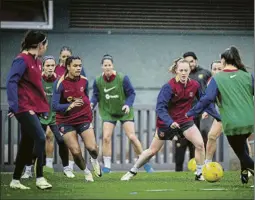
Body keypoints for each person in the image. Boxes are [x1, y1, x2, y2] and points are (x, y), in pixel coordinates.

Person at [120, 58, 220, 181]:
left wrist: (217, 116)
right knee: (152, 151)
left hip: (186, 121)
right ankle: (133, 170)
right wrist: (170, 122)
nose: (183, 73)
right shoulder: (168, 87)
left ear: (190, 71)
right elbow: (160, 108)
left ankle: (199, 174)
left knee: (199, 144)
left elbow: (204, 101)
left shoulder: (195, 85)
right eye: (181, 70)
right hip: (166, 123)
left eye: (186, 70)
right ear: (176, 71)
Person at [186, 46, 254, 184]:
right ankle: (244, 173)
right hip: (249, 120)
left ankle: (249, 169)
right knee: (242, 145)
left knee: (240, 152)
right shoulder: (247, 75)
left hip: (232, 121)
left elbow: (206, 99)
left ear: (223, 60)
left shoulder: (217, 79)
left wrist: (191, 112)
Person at [90, 54, 153, 173]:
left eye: (109, 65)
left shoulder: (123, 78)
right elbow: (95, 95)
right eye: (105, 65)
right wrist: (91, 103)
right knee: (106, 137)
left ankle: (145, 163)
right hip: (108, 112)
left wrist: (127, 104)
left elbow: (132, 93)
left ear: (112, 66)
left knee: (132, 137)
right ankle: (107, 166)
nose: (107, 67)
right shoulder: (98, 81)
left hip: (124, 112)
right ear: (102, 67)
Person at [6, 30, 52, 189]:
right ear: (40, 45)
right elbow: (11, 82)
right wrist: (13, 105)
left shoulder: (38, 61)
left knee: (26, 143)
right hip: (23, 107)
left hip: (35, 107)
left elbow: (36, 87)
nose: (46, 48)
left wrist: (43, 106)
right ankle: (40, 177)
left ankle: (15, 180)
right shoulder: (21, 60)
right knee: (40, 137)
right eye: (46, 45)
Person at [21, 56, 75, 179]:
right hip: (40, 116)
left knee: (62, 141)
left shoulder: (60, 81)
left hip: (55, 117)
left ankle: (66, 168)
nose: (50, 68)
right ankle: (28, 169)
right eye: (47, 66)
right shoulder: (37, 80)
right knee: (36, 143)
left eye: (52, 66)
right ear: (43, 67)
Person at [52, 56, 102, 182]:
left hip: (83, 118)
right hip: (65, 121)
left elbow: (84, 95)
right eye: (75, 66)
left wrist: (88, 106)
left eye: (80, 65)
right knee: (75, 151)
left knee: (93, 149)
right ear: (68, 67)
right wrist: (70, 105)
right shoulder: (59, 83)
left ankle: (94, 159)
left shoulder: (84, 81)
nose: (78, 68)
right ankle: (86, 172)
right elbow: (54, 106)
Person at [173, 52, 212, 172]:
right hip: (183, 114)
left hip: (200, 114)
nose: (190, 64)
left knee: (198, 143)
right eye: (187, 61)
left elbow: (210, 92)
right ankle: (178, 170)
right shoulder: (181, 75)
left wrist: (207, 109)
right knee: (180, 143)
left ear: (196, 61)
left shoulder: (205, 73)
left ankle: (197, 169)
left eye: (192, 61)